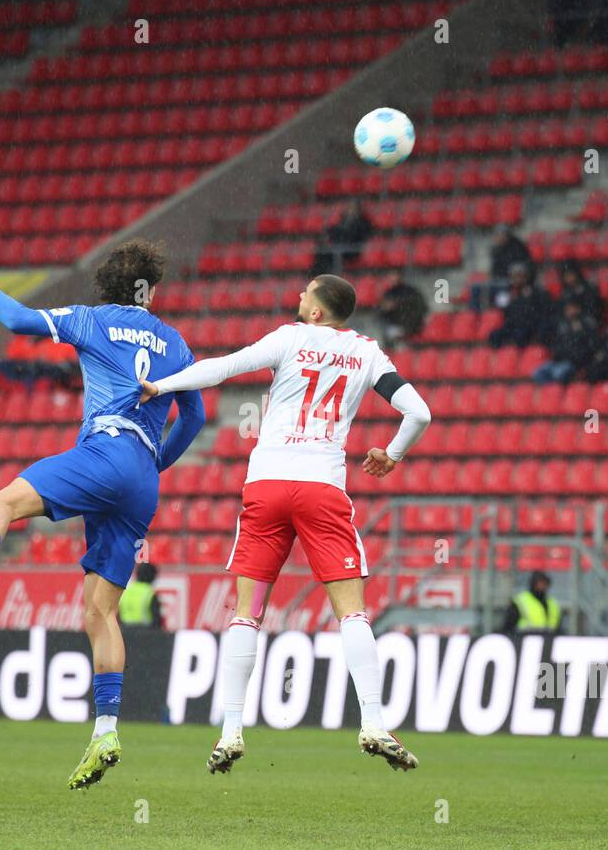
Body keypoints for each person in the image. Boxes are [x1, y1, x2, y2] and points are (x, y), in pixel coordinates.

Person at [0, 233, 206, 790]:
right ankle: (106, 731)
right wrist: (156, 464)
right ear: (150, 291)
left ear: (108, 286)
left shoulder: (92, 319)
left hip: (105, 450)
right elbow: (195, 414)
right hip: (141, 479)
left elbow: (16, 321)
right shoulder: (175, 341)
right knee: (100, 612)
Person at [138, 274, 432, 775]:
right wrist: (392, 454)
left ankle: (231, 730)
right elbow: (419, 412)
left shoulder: (288, 338)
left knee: (247, 612)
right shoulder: (367, 353)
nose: (298, 298)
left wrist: (160, 386)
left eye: (306, 294)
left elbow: (223, 368)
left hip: (268, 484)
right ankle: (374, 722)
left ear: (317, 312)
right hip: (322, 487)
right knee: (352, 614)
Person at [487, 263, 555, 348]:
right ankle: (503, 357)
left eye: (519, 276)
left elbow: (541, 312)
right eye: (514, 276)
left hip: (529, 325)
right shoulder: (508, 292)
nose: (516, 279)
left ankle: (523, 356)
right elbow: (499, 305)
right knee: (494, 335)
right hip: (512, 325)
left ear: (526, 277)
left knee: (520, 335)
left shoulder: (536, 293)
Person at [533, 300, 598, 384]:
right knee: (538, 374)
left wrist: (576, 359)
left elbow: (588, 346)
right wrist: (556, 353)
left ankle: (556, 391)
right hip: (557, 361)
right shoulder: (562, 324)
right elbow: (555, 342)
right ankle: (551, 392)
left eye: (571, 308)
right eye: (567, 309)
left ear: (578, 309)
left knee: (559, 374)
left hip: (572, 363)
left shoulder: (585, 324)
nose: (569, 311)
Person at [311, 200, 372, 276]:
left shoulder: (362, 223)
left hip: (352, 250)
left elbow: (358, 236)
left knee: (332, 253)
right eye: (349, 208)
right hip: (339, 246)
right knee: (322, 253)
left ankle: (327, 277)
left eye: (352, 208)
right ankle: (319, 276)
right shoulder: (343, 221)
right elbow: (334, 231)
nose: (350, 210)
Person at [376, 278, 429, 351]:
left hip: (411, 326)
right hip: (399, 327)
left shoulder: (409, 293)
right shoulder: (389, 293)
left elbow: (418, 312)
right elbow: (382, 310)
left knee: (392, 334)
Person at [118, 562, 163, 631]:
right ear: (152, 576)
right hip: (145, 634)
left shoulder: (126, 592)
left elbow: (119, 615)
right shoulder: (149, 593)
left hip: (125, 633)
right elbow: (157, 621)